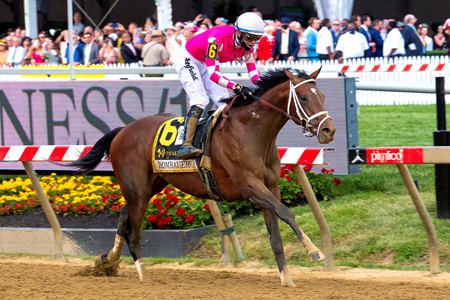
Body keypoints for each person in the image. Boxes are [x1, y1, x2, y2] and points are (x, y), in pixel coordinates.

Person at [173, 12, 264, 159]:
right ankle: (186, 144)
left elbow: (253, 73)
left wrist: (264, 85)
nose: (253, 42)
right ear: (239, 32)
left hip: (204, 62)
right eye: (249, 38)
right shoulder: (216, 40)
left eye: (257, 38)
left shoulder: (247, 46)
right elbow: (214, 74)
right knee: (200, 99)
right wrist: (237, 87)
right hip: (188, 59)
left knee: (223, 99)